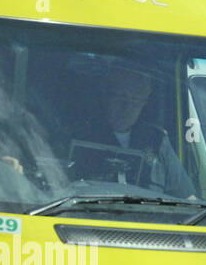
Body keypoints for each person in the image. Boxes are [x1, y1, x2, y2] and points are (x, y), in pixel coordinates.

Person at [70, 65, 198, 199]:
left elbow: (187, 198)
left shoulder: (156, 140)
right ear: (106, 96)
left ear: (144, 103)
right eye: (121, 97)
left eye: (135, 100)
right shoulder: (83, 136)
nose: (127, 107)